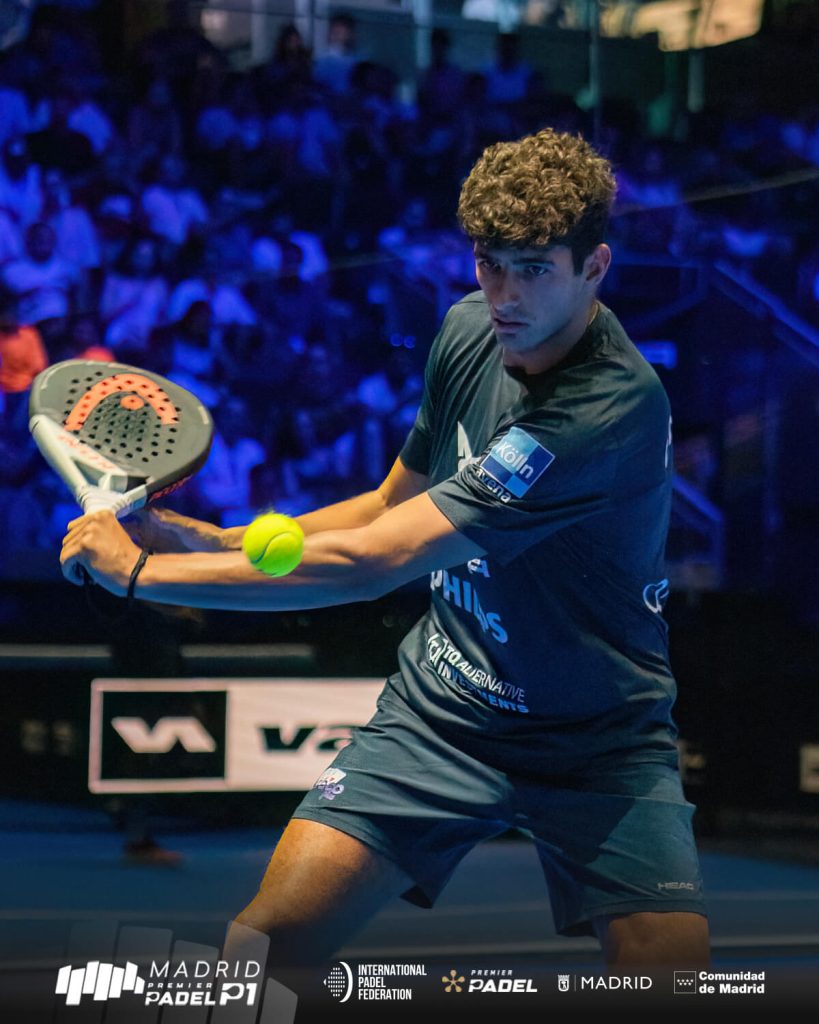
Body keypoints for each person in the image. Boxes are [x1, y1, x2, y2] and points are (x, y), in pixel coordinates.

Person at [59, 127, 711, 970]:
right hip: (444, 716)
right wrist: (210, 538)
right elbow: (385, 506)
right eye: (490, 263)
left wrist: (144, 573)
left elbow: (375, 561)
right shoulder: (469, 329)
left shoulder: (606, 408)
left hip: (599, 740)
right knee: (264, 946)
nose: (505, 294)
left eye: (534, 268)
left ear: (594, 267)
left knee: (668, 980)